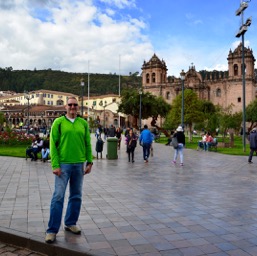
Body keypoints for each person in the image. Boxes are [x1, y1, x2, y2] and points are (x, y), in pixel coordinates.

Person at [45, 96, 93, 244]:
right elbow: (53, 144)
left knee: (76, 196)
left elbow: (87, 143)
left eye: (75, 105)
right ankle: (52, 230)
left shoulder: (83, 123)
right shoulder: (58, 123)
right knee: (58, 197)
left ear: (78, 107)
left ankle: (70, 223)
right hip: (63, 165)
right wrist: (55, 165)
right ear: (66, 107)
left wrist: (89, 161)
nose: (73, 107)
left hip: (79, 164)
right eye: (70, 105)